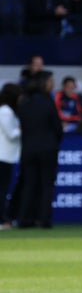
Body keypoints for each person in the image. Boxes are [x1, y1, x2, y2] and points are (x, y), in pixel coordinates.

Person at [15, 71, 63, 229]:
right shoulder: (48, 102)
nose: (52, 84)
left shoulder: (24, 103)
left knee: (29, 185)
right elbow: (57, 127)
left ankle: (24, 220)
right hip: (47, 149)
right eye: (50, 81)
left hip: (28, 148)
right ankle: (44, 220)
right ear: (43, 84)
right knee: (47, 185)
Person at [0, 83, 22, 230]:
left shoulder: (9, 111)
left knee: (4, 189)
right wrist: (23, 128)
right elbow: (11, 134)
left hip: (7, 156)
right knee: (2, 190)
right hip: (3, 156)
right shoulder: (5, 111)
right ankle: (1, 220)